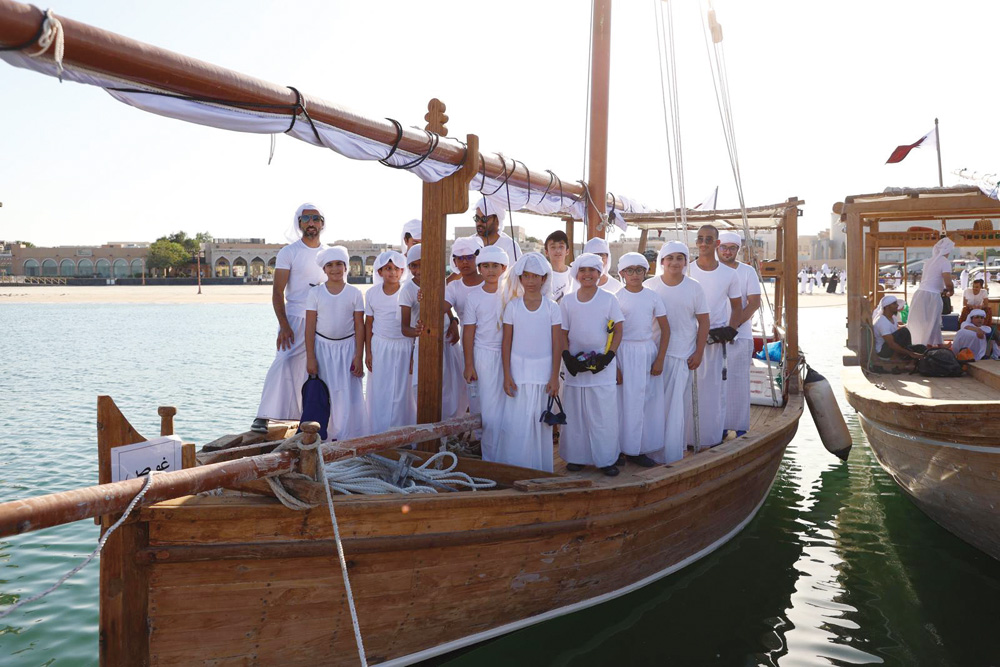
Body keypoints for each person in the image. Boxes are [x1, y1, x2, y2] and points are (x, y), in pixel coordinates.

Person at [251, 204, 329, 433]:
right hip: (294, 318)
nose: (311, 222)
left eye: (316, 218)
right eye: (306, 218)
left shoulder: (328, 254)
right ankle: (264, 416)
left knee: (317, 368)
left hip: (323, 321)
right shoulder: (289, 252)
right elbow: (277, 292)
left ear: (322, 223)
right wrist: (284, 326)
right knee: (284, 361)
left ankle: (310, 417)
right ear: (299, 223)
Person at [644, 241, 709, 464]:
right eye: (669, 258)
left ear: (685, 261)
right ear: (662, 261)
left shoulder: (694, 287)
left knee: (673, 407)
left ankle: (668, 453)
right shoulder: (649, 285)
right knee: (651, 404)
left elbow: (704, 322)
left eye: (679, 258)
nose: (674, 262)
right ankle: (647, 449)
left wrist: (699, 352)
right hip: (651, 353)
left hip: (681, 354)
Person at [497, 252, 563, 471]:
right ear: (520, 278)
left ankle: (539, 469)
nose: (531, 281)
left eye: (536, 276)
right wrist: (507, 375)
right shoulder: (513, 307)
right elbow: (506, 343)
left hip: (543, 375)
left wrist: (554, 377)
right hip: (518, 373)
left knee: (539, 423)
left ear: (544, 278)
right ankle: (515, 468)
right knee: (516, 423)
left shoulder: (552, 307)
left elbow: (557, 344)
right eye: (527, 276)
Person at [560, 253, 624, 476]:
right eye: (583, 270)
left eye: (592, 270)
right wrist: (567, 357)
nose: (587, 274)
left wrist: (609, 357)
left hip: (602, 368)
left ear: (600, 273)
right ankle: (576, 457)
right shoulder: (567, 301)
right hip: (575, 368)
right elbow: (562, 332)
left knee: (603, 415)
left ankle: (606, 459)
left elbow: (618, 330)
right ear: (576, 273)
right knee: (575, 415)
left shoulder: (609, 298)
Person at [304, 246, 367, 440]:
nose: (335, 269)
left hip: (348, 349)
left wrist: (359, 355)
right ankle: (325, 435)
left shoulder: (354, 293)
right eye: (330, 265)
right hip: (322, 349)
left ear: (346, 267)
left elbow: (359, 326)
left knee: (347, 392)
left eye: (339, 264)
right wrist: (311, 357)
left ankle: (348, 435)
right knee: (326, 392)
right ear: (324, 269)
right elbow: (309, 327)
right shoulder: (315, 294)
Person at [687, 225, 742, 449]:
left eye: (709, 239)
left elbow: (737, 307)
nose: (703, 243)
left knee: (713, 390)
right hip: (688, 339)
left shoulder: (730, 274)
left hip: (714, 340)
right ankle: (687, 438)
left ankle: (710, 439)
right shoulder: (687, 270)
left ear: (716, 244)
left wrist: (730, 329)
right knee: (688, 390)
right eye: (700, 239)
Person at [399, 244, 466, 420]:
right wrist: (418, 331)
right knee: (425, 390)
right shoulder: (407, 290)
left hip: (447, 342)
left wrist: (453, 321)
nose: (418, 270)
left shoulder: (439, 281)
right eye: (414, 265)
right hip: (426, 345)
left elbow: (445, 307)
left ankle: (450, 432)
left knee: (453, 389)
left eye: (422, 264)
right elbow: (405, 328)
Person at [614, 252, 669, 467]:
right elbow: (609, 332)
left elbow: (665, 330)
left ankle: (638, 448)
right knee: (621, 403)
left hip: (646, 353)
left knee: (643, 402)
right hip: (622, 353)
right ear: (622, 273)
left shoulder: (653, 297)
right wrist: (614, 366)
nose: (634, 275)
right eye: (630, 271)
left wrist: (660, 359)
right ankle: (618, 448)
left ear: (645, 272)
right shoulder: (616, 297)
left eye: (639, 270)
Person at [462, 245, 510, 461]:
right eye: (486, 266)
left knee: (509, 405)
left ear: (504, 268)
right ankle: (490, 457)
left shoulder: (512, 295)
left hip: (510, 356)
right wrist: (469, 364)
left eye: (495, 266)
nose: (491, 270)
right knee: (488, 408)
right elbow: (468, 332)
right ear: (480, 268)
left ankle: (508, 454)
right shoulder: (473, 297)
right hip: (484, 356)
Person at [365, 250, 415, 432]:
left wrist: (413, 355)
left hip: (405, 345)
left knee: (404, 392)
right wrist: (367, 352)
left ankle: (403, 432)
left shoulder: (409, 292)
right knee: (381, 389)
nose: (392, 272)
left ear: (402, 271)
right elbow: (368, 324)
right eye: (387, 268)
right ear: (379, 272)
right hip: (380, 346)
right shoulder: (371, 293)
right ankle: (378, 431)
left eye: (396, 269)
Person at [717, 231, 761, 438]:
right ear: (718, 248)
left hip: (740, 335)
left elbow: (753, 303)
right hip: (713, 336)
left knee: (738, 381)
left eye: (732, 248)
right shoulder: (709, 270)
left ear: (738, 250)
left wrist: (733, 327)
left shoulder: (747, 272)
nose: (727, 251)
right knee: (715, 382)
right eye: (724, 247)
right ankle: (718, 425)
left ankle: (740, 425)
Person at [908, 236, 955, 346]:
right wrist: (951, 291)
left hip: (919, 294)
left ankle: (925, 345)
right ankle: (930, 346)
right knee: (933, 322)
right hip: (932, 296)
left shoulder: (929, 261)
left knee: (920, 323)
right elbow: (948, 282)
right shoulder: (944, 262)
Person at [467, 197, 522, 263]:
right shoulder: (467, 244)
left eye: (484, 219)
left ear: (497, 220)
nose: (479, 222)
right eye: (477, 218)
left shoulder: (510, 246)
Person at [872, 295, 922, 360]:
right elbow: (891, 344)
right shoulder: (882, 321)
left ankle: (909, 358)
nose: (897, 305)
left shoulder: (893, 318)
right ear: (887, 307)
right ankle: (899, 359)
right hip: (883, 351)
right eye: (894, 304)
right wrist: (910, 353)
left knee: (921, 348)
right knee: (904, 331)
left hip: (892, 346)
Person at [544, 229, 573, 302]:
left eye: (561, 247)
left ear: (567, 251)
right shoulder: (542, 275)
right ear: (546, 252)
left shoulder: (575, 274)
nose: (558, 251)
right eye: (553, 247)